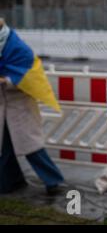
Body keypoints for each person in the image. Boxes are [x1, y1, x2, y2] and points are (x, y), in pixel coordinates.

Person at [0, 19, 64, 196]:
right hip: (4, 106)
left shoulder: (18, 48)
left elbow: (29, 77)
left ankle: (53, 181)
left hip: (20, 105)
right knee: (4, 148)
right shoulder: (9, 45)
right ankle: (8, 183)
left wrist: (6, 81)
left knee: (32, 147)